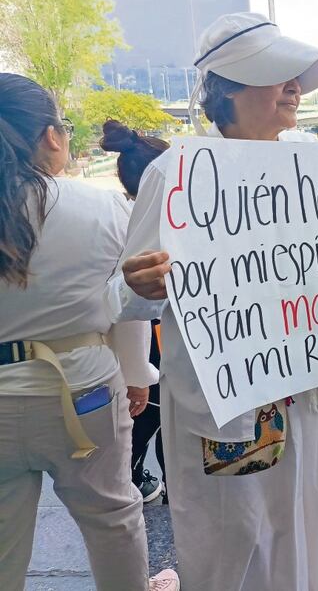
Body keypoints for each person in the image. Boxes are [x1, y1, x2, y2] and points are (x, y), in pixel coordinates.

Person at [106, 12, 318, 590]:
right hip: (233, 397)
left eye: (295, 77)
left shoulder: (314, 161)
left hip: (310, 389)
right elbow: (126, 297)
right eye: (276, 75)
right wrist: (137, 285)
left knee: (302, 523)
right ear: (228, 88)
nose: (293, 87)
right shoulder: (178, 173)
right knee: (236, 534)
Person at [0, 74, 178, 591]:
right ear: (51, 136)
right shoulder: (103, 208)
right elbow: (128, 303)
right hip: (85, 393)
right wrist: (137, 374)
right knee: (112, 516)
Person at [101, 120, 169, 503]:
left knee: (143, 422)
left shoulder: (117, 215)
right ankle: (137, 479)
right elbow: (133, 314)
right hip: (153, 346)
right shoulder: (158, 222)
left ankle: (133, 476)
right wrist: (139, 373)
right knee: (152, 418)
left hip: (127, 352)